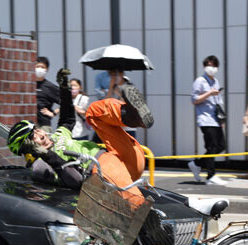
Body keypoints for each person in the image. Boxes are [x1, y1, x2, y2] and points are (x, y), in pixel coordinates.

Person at [8, 68, 153, 208]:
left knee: (93, 111)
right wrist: (47, 155)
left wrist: (64, 89)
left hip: (124, 156)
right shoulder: (40, 166)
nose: (41, 134)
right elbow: (75, 181)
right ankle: (143, 214)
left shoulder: (56, 137)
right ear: (27, 147)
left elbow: (67, 119)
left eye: (38, 130)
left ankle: (131, 116)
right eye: (34, 136)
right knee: (112, 172)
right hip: (103, 171)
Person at [187, 55, 227, 186]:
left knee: (221, 146)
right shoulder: (200, 81)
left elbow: (219, 101)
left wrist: (222, 120)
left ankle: (196, 164)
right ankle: (211, 175)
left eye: (215, 66)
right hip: (205, 119)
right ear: (205, 66)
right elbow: (194, 100)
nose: (212, 68)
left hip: (216, 119)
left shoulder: (215, 81)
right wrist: (209, 93)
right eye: (210, 65)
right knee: (212, 146)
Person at [35, 56, 60, 132]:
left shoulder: (50, 87)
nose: (39, 69)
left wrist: (53, 113)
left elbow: (66, 102)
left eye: (42, 67)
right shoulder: (28, 84)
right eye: (37, 66)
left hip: (43, 126)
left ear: (47, 69)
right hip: (28, 124)